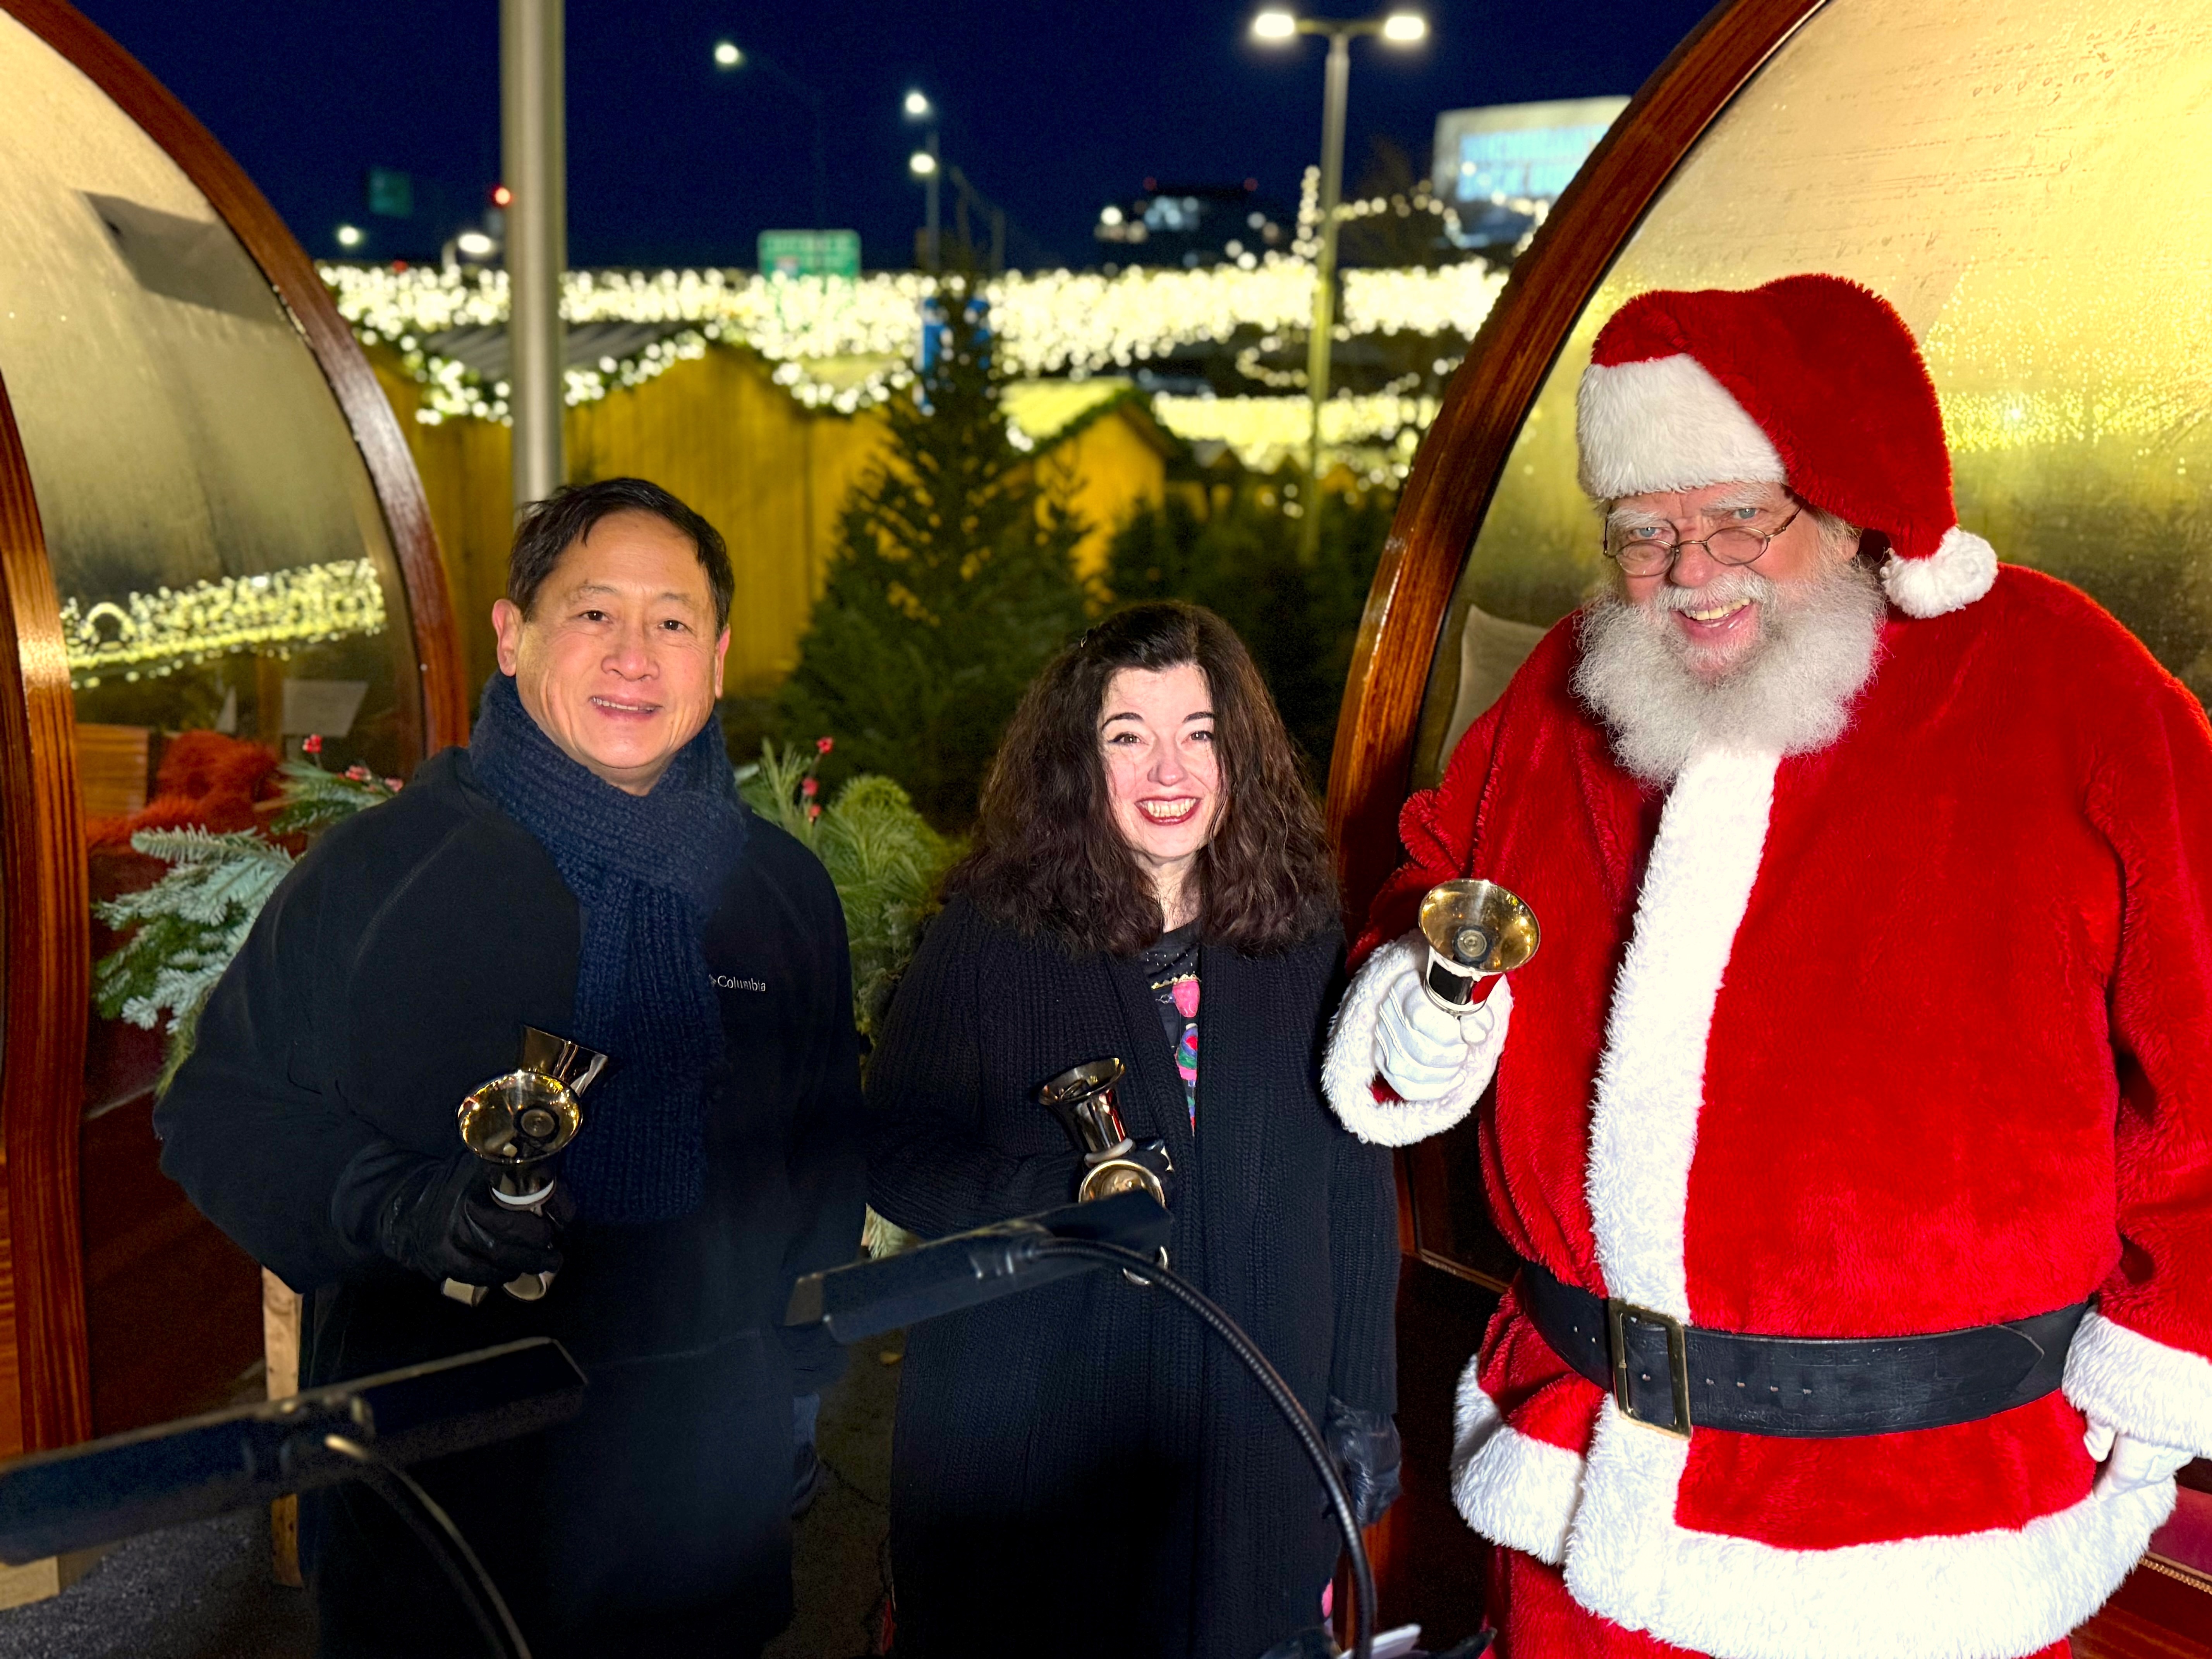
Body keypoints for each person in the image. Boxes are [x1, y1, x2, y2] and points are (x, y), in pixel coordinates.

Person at [1322, 273, 2212, 1659]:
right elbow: (1430, 882)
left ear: (1846, 503)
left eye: (1742, 515)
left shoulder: (2058, 682)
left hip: (1940, 1526)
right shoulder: (1564, 693)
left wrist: (2174, 1335)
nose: (1689, 568)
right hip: (1591, 1498)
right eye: (1644, 530)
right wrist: (1412, 1003)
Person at [156, 477, 865, 1658]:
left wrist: (795, 1393)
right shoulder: (382, 873)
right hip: (438, 1513)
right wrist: (399, 1203)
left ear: (720, 656)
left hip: (699, 1510)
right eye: (594, 614)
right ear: (513, 632)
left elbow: (820, 1169)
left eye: (673, 621)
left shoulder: (780, 895)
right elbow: (216, 1113)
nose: (634, 655)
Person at [866, 602, 1401, 1658]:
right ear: (1078, 761)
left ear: (1237, 753)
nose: (1170, 767)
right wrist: (1058, 1197)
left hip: (1254, 1445)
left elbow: (1351, 1187)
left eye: (1198, 732)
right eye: (1128, 736)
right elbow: (892, 1152)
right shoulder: (990, 932)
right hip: (1040, 1457)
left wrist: (1365, 1398)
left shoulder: (1297, 936)